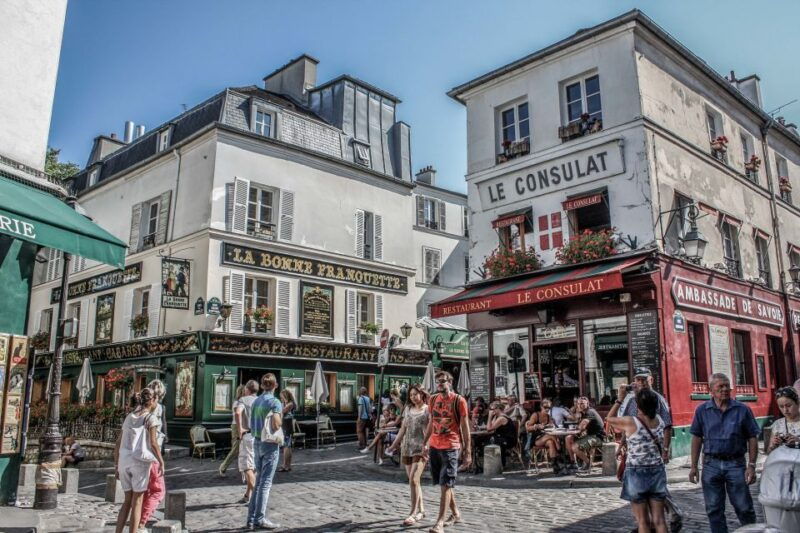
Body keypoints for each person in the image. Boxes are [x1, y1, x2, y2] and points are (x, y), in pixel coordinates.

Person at [689, 373, 759, 533]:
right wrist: (694, 466)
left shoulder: (742, 410)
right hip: (711, 464)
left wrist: (752, 465)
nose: (725, 389)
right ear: (710, 390)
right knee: (713, 509)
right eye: (720, 386)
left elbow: (752, 437)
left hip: (736, 464)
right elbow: (697, 438)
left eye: (727, 385)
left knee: (744, 507)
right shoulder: (702, 410)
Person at [607, 387, 668, 533]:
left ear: (638, 405)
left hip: (637, 471)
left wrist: (619, 399)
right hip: (657, 470)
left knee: (643, 522)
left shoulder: (631, 422)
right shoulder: (659, 420)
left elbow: (609, 419)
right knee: (659, 521)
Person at [422, 371, 471, 533]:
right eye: (438, 382)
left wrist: (468, 451)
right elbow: (431, 422)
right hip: (435, 446)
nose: (440, 384)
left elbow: (465, 427)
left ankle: (440, 523)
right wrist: (425, 443)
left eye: (443, 381)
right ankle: (456, 513)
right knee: (445, 485)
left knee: (446, 484)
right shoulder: (433, 399)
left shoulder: (459, 401)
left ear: (450, 382)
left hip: (451, 446)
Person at [114, 388, 164, 533]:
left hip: (124, 461)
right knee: (137, 502)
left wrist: (116, 465)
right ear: (153, 400)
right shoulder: (151, 418)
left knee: (126, 501)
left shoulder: (129, 416)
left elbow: (118, 443)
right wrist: (161, 461)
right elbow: (154, 443)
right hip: (139, 462)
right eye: (156, 400)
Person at [386, 384, 430, 527]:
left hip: (421, 449)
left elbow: (432, 430)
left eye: (415, 394)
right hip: (407, 448)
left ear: (422, 394)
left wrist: (428, 444)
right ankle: (421, 511)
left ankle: (412, 513)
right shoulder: (408, 409)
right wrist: (394, 445)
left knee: (413, 479)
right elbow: (403, 429)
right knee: (414, 482)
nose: (413, 397)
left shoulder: (428, 410)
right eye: (411, 395)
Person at [246, 373, 283, 530]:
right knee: (265, 483)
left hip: (256, 442)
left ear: (262, 386)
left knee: (260, 481)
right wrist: (281, 417)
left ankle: (251, 518)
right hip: (269, 443)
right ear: (275, 386)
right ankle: (260, 518)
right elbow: (276, 424)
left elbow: (252, 424)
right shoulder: (274, 402)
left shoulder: (256, 402)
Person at [619, 369, 673, 463]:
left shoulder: (658, 399)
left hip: (652, 453)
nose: (641, 383)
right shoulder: (631, 400)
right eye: (638, 380)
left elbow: (667, 426)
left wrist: (665, 450)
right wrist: (621, 445)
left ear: (651, 380)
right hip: (634, 454)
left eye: (644, 379)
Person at [141, 379, 168, 527]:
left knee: (144, 487)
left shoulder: (138, 410)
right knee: (158, 489)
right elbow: (155, 438)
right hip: (152, 452)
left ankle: (139, 517)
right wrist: (161, 459)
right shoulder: (159, 409)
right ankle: (141, 521)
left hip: (140, 452)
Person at [564, 396, 605, 473]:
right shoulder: (583, 413)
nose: (579, 405)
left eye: (582, 403)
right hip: (589, 436)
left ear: (587, 403)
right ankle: (573, 463)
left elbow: (582, 426)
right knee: (568, 438)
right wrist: (573, 412)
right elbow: (577, 422)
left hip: (598, 438)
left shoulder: (590, 412)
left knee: (575, 447)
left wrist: (579, 428)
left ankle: (588, 463)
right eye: (578, 404)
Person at [237, 380, 259, 504]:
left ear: (247, 389)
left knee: (247, 466)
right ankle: (248, 495)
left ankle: (256, 497)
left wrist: (240, 429)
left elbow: (237, 412)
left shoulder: (243, 400)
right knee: (253, 466)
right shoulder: (260, 401)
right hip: (259, 437)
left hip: (248, 435)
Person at [219, 384, 247, 477]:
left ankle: (244, 469)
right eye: (245, 390)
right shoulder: (237, 403)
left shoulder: (243, 402)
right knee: (235, 449)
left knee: (244, 449)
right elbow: (237, 415)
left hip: (244, 426)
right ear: (242, 392)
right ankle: (223, 467)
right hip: (236, 426)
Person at [525, 399, 559, 471]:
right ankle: (559, 449)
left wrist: (552, 424)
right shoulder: (536, 415)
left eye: (549, 408)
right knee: (551, 436)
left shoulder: (548, 416)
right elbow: (528, 428)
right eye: (545, 407)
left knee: (551, 442)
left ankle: (554, 464)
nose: (547, 409)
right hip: (535, 439)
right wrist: (536, 426)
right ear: (541, 407)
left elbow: (553, 427)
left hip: (545, 438)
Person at [766, 386, 800, 454]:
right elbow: (768, 453)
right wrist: (773, 446)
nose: (785, 410)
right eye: (781, 406)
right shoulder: (778, 424)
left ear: (798, 403)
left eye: (789, 405)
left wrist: (798, 442)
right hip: (784, 463)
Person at [486, 401, 518, 467]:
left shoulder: (501, 418)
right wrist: (493, 417)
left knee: (486, 442)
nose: (491, 411)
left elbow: (489, 429)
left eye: (492, 409)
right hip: (503, 438)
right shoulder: (498, 416)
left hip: (508, 440)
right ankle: (497, 463)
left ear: (498, 409)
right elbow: (491, 426)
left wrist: (489, 416)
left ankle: (496, 464)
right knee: (486, 440)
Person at [278, 389, 296, 472]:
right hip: (284, 424)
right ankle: (287, 465)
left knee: (286, 446)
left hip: (287, 425)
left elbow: (282, 412)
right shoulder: (284, 403)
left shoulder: (290, 404)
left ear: (285, 396)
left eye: (282, 396)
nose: (281, 398)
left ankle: (286, 465)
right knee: (287, 446)